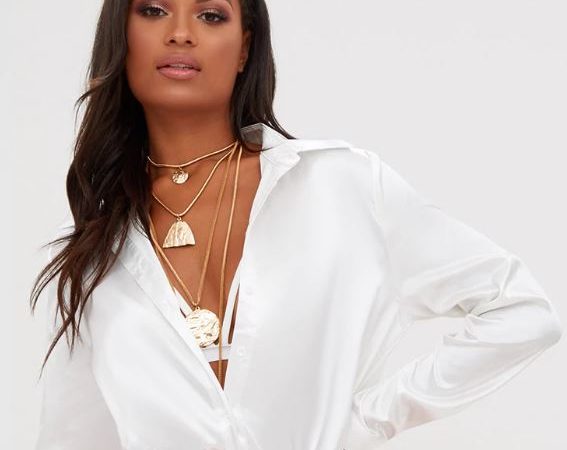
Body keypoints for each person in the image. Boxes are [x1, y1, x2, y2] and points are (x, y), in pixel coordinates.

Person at [30, 0, 563, 449]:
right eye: (153, 11)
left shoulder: (340, 187)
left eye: (211, 15)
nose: (180, 33)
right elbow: (72, 439)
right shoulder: (90, 261)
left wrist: (368, 419)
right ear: (121, 35)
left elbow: (519, 310)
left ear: (244, 48)